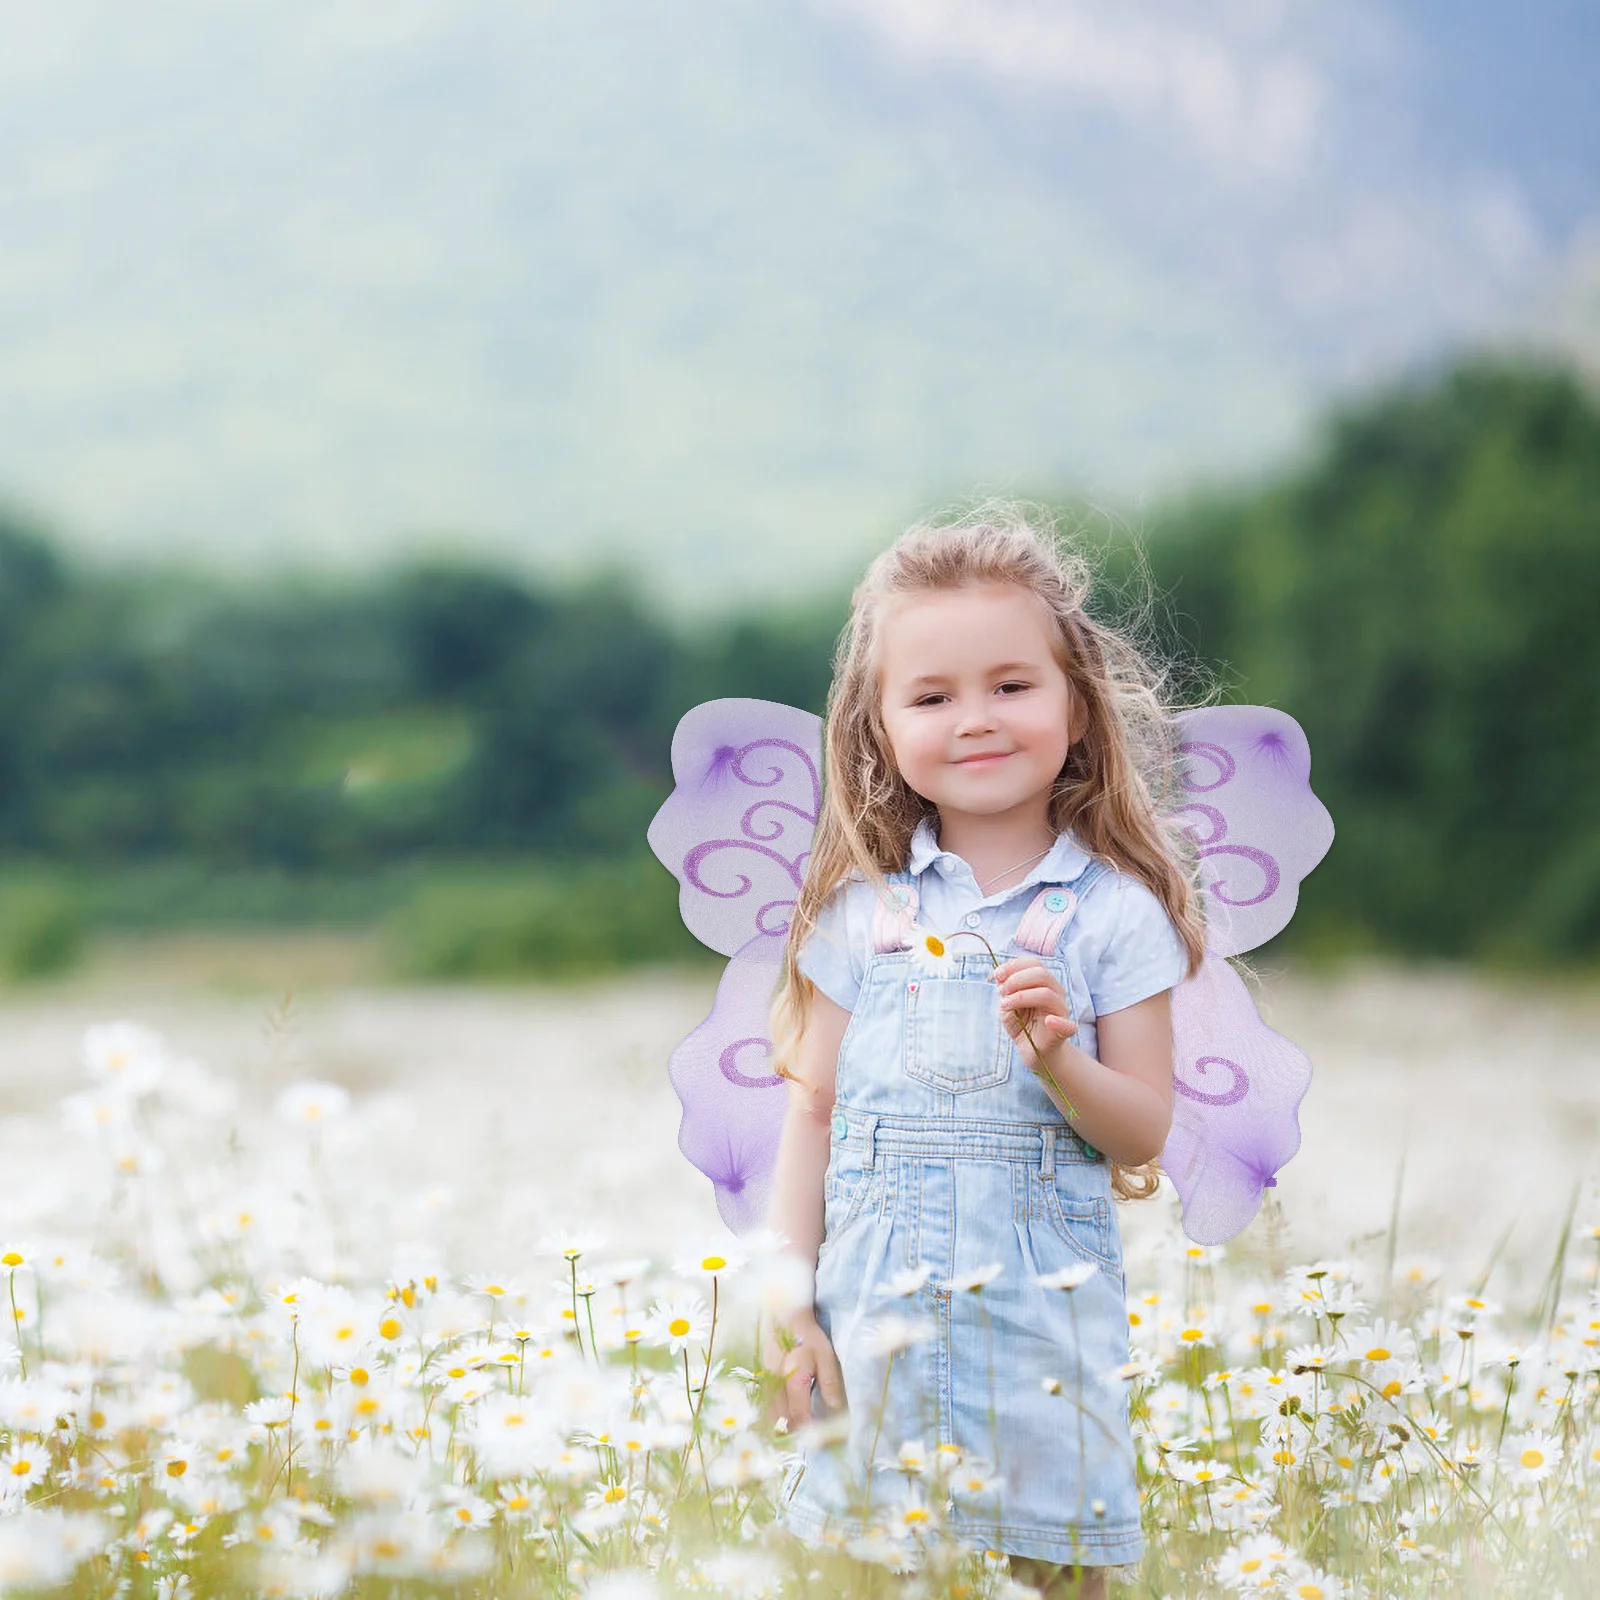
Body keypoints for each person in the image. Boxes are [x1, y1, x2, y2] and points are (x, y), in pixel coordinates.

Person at [763, 507, 1207, 1597]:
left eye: (1011, 685)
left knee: (1049, 1570)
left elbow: (1142, 1127)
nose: (976, 718)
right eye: (931, 695)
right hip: (876, 1328)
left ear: (1077, 706)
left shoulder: (1113, 916)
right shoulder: (858, 916)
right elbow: (812, 1115)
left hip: (1042, 1340)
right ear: (878, 727)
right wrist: (790, 1305)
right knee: (873, 1569)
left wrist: (1060, 1057)